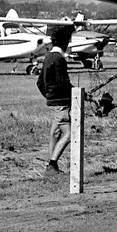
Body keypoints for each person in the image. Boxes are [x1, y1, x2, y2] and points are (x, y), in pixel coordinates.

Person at [36, 24, 74, 173]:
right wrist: (82, 95)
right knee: (69, 134)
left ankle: (52, 167)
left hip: (52, 101)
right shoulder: (59, 59)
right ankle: (51, 165)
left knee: (55, 133)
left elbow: (40, 82)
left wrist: (49, 96)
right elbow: (63, 83)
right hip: (61, 103)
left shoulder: (48, 57)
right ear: (65, 42)